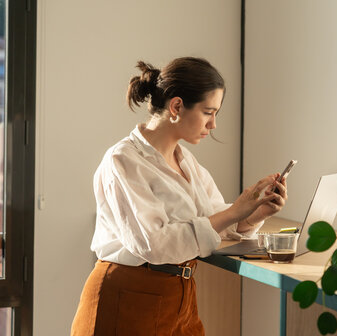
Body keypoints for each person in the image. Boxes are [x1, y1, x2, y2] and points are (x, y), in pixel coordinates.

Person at [71, 57, 288, 336]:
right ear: (176, 106)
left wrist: (256, 210)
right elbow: (153, 244)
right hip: (127, 298)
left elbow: (215, 219)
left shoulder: (186, 162)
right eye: (209, 112)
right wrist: (236, 210)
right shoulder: (123, 160)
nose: (213, 124)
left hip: (180, 298)